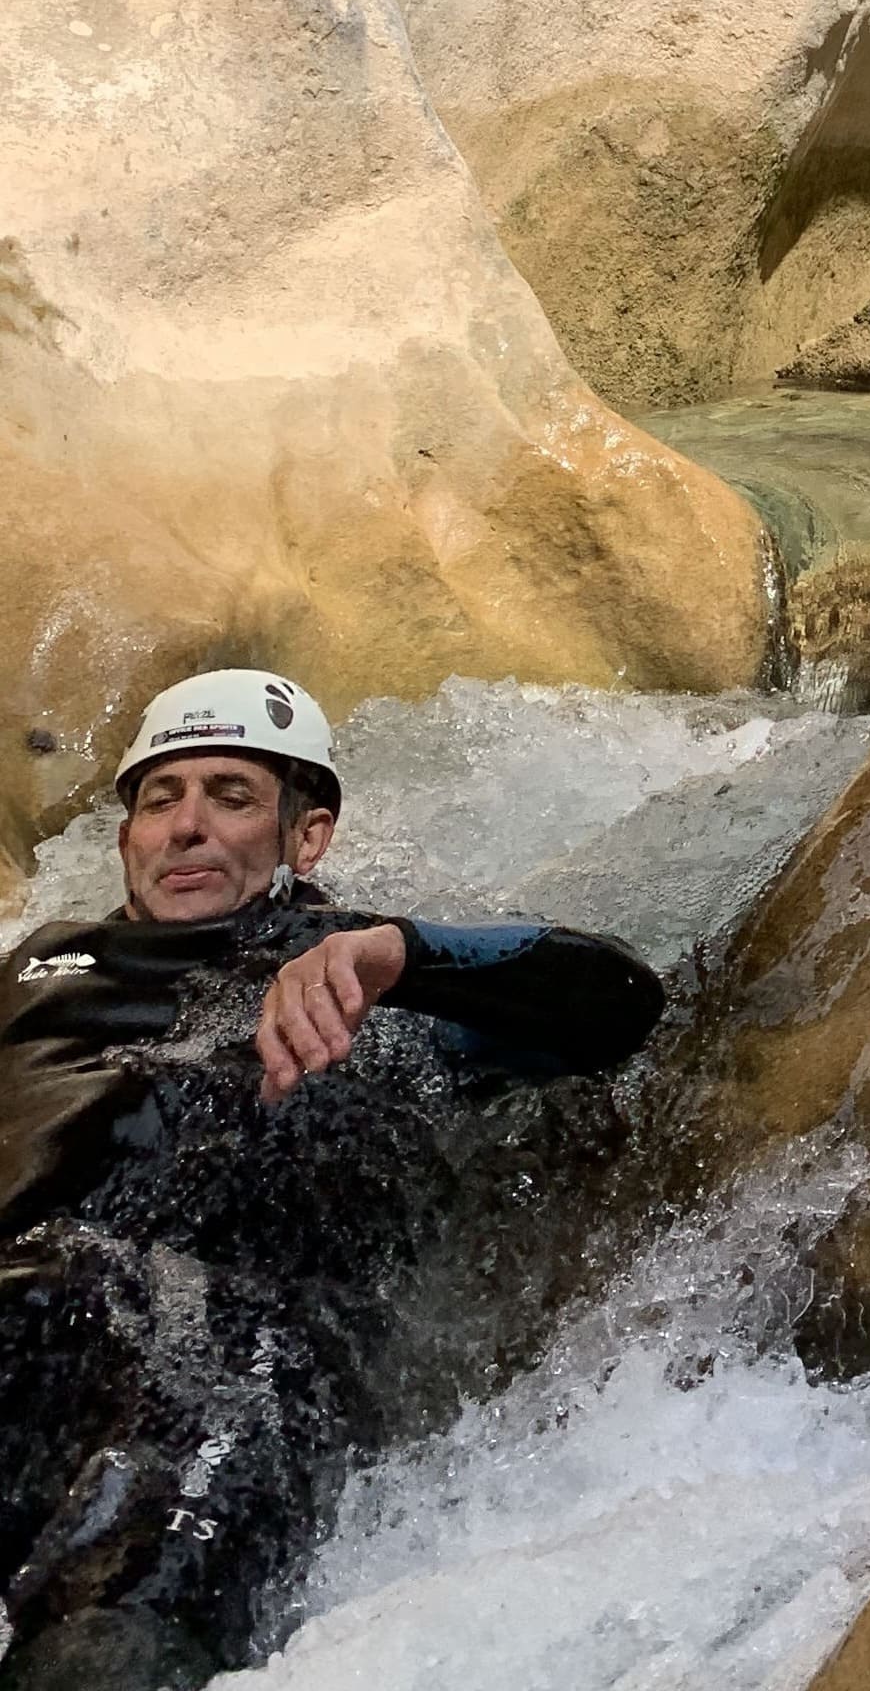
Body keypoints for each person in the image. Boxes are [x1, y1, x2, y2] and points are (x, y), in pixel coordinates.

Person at [0, 671, 666, 1688]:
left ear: (306, 837)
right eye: (159, 797)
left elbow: (619, 1004)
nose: (186, 826)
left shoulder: (372, 979)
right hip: (26, 1300)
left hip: (231, 1355)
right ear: (127, 834)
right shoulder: (31, 973)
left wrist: (404, 957)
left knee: (114, 1644)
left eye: (230, 795)